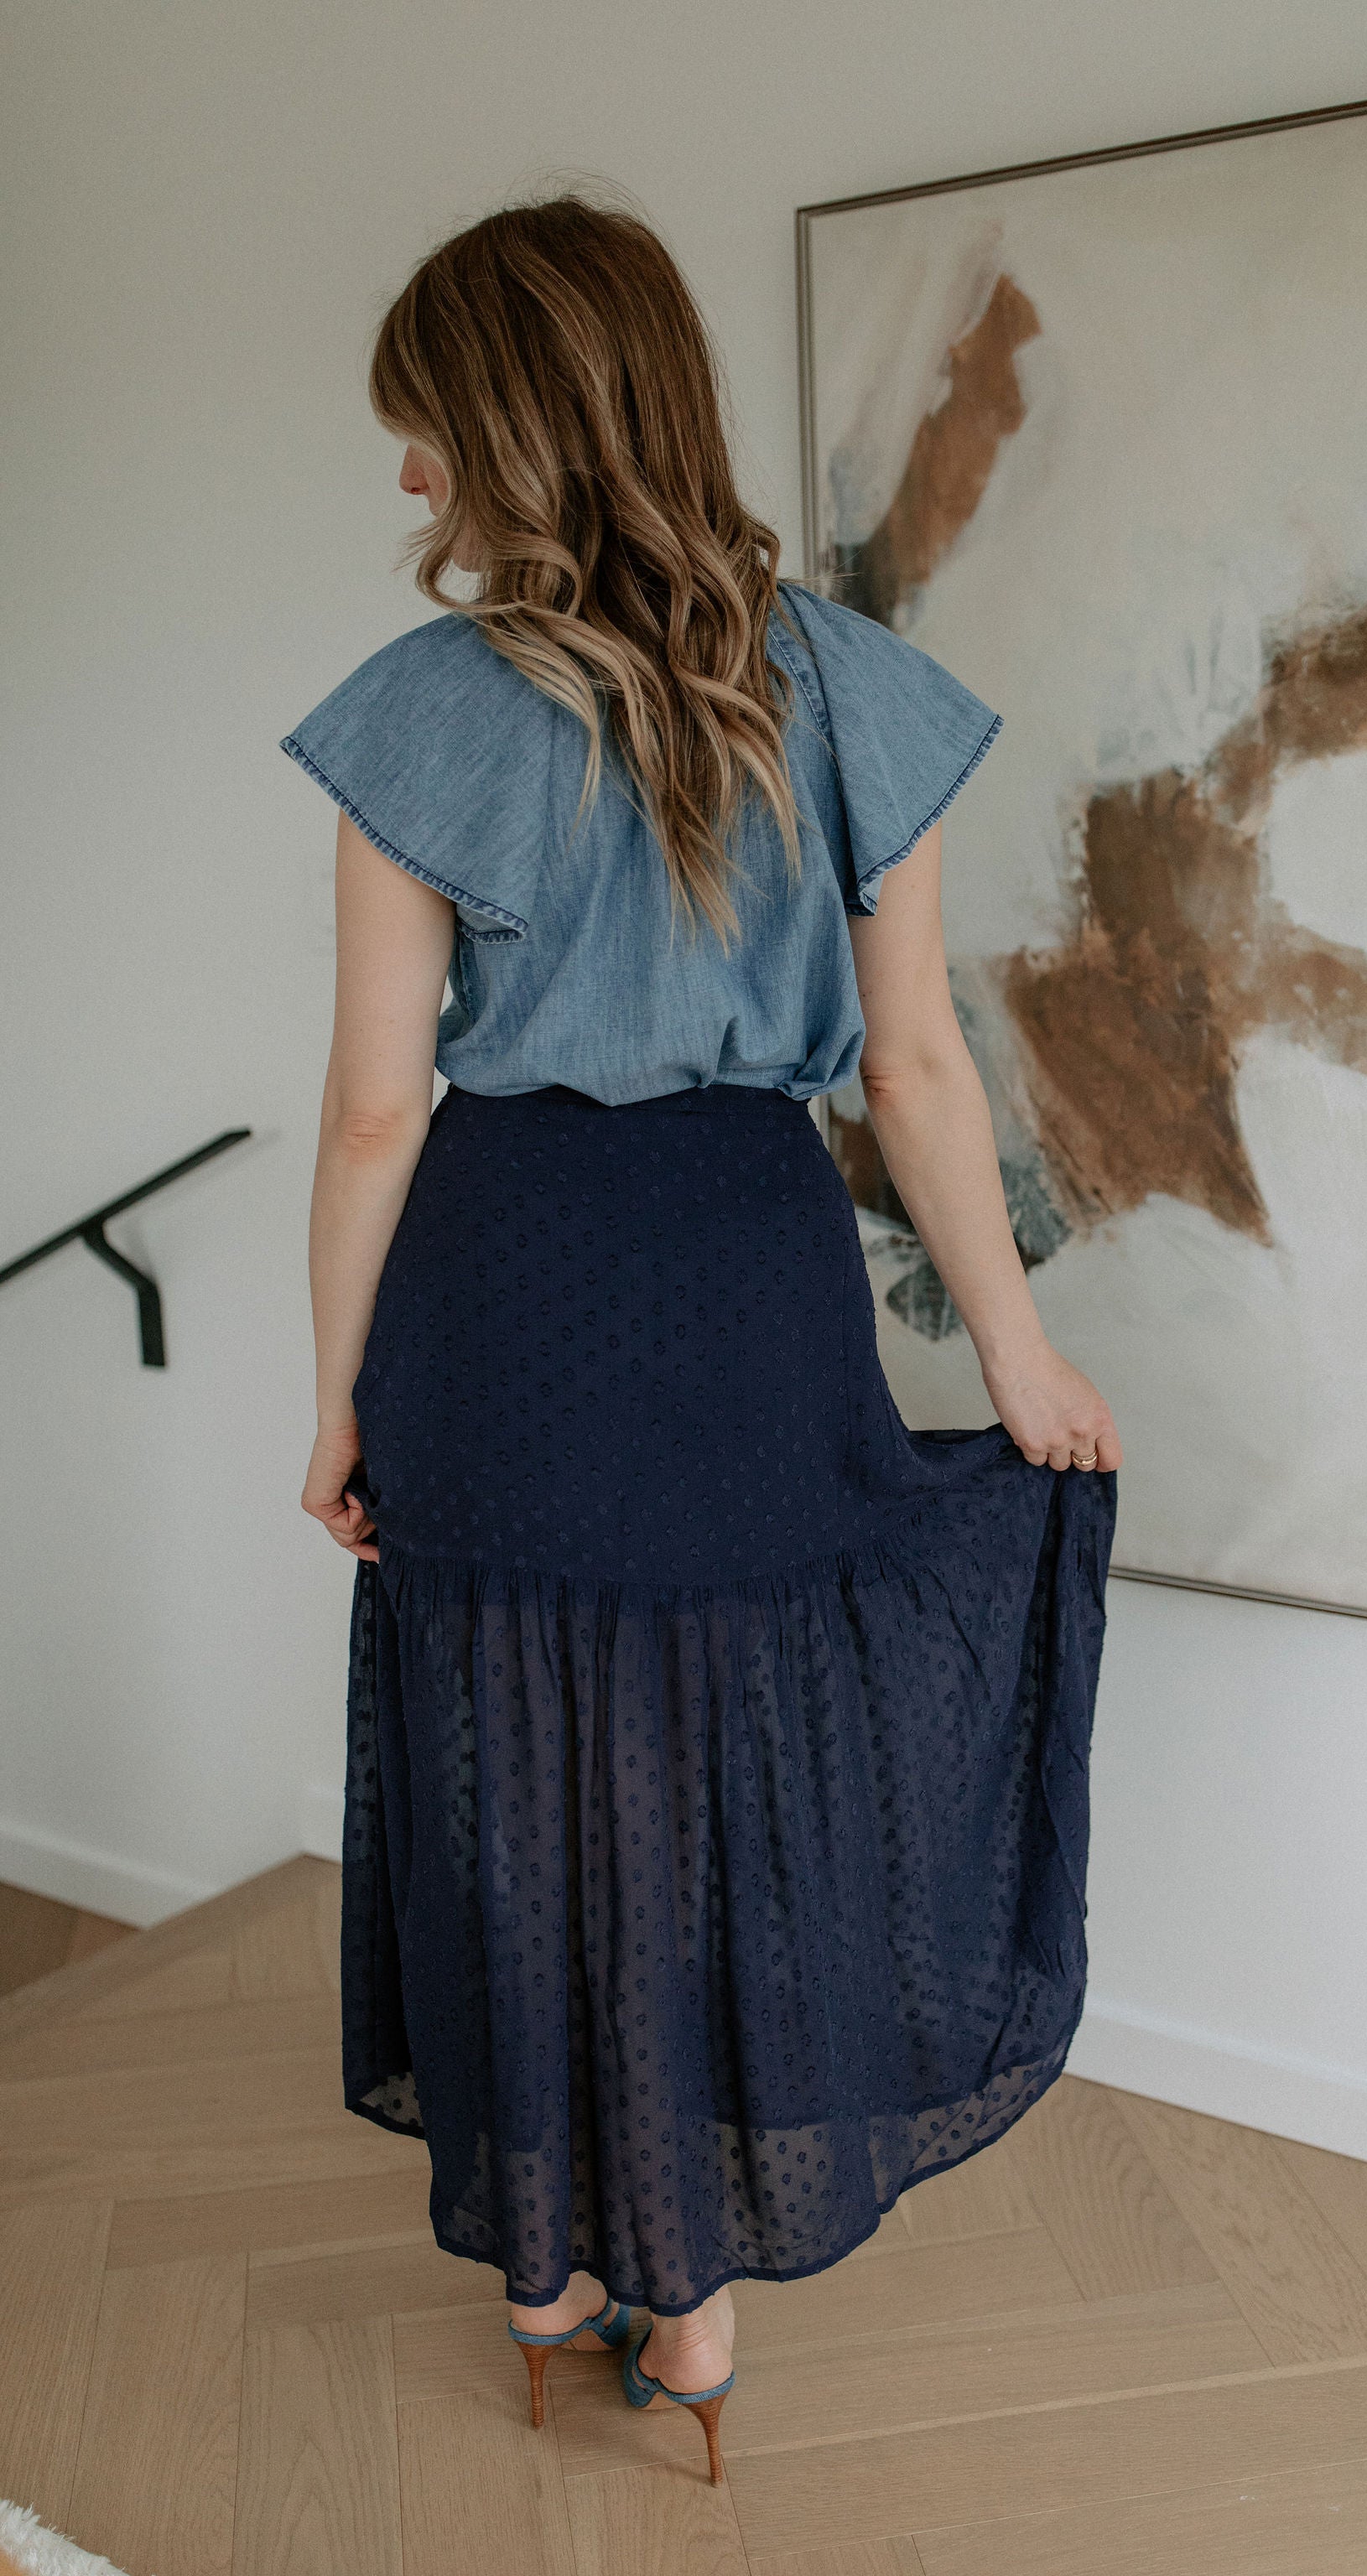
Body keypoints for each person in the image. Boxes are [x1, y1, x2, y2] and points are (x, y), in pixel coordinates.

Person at [285, 191, 1119, 2484]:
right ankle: (700, 2295)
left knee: (514, 1759)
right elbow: (914, 1069)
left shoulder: (420, 715)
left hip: (507, 1280)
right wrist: (1017, 1358)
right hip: (752, 1274)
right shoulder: (843, 683)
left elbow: (373, 1114)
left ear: (513, 428)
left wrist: (335, 1398)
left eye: (426, 432)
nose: (408, 478)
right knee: (714, 1766)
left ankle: (544, 2269)